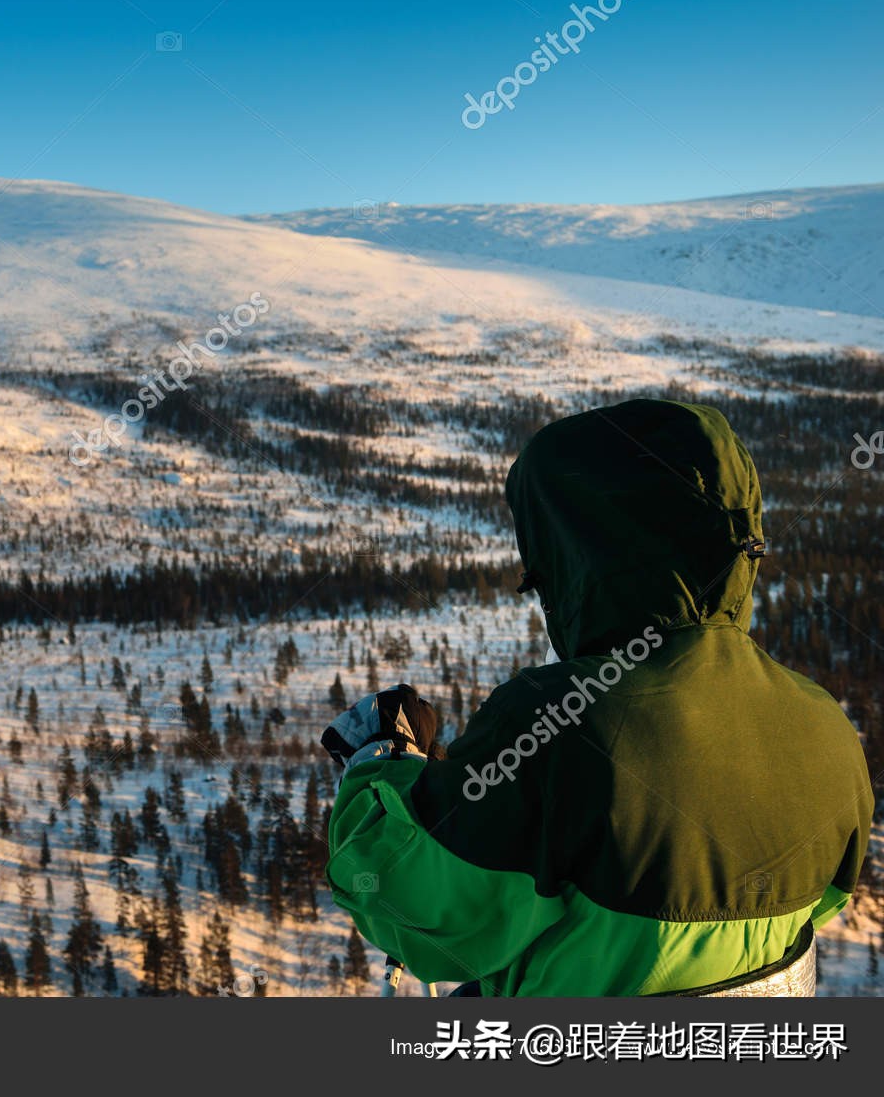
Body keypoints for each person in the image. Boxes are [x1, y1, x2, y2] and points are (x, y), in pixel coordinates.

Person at [320, 398, 874, 996]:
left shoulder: (555, 722)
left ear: (577, 562)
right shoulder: (825, 727)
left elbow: (420, 909)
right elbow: (824, 903)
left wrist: (378, 761)